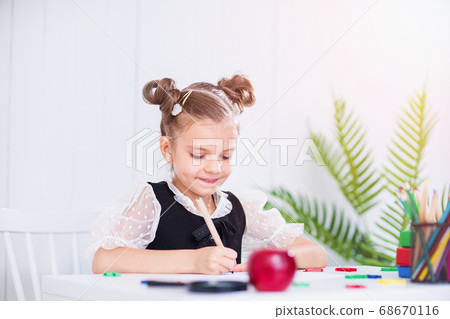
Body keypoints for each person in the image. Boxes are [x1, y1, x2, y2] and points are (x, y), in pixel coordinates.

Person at [88, 74, 327, 275]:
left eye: (224, 156)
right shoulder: (153, 201)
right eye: (199, 155)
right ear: (168, 149)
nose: (214, 168)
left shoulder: (238, 207)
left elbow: (316, 255)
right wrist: (193, 262)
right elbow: (103, 261)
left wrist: (262, 262)